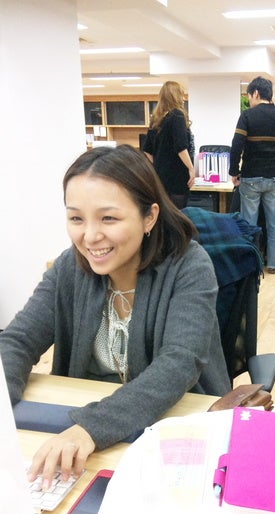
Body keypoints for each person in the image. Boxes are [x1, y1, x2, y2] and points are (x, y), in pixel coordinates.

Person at [0, 144, 230, 488]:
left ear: (149, 216)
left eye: (108, 218)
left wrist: (90, 428)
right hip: (84, 428)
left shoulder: (189, 265)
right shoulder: (69, 267)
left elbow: (179, 363)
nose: (90, 236)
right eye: (76, 218)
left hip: (170, 429)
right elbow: (18, 341)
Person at [229, 76, 275, 274]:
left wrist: (234, 172)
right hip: (274, 177)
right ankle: (274, 264)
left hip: (252, 177)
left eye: (249, 97)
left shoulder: (247, 116)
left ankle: (251, 264)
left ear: (255, 93)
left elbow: (236, 145)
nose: (249, 101)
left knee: (249, 223)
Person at [142, 81, 195, 209]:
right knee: (178, 213)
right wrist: (191, 168)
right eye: (181, 94)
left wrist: (159, 164)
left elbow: (147, 150)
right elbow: (181, 147)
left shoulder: (156, 118)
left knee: (164, 213)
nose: (183, 98)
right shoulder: (177, 115)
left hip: (160, 176)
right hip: (177, 175)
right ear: (176, 96)